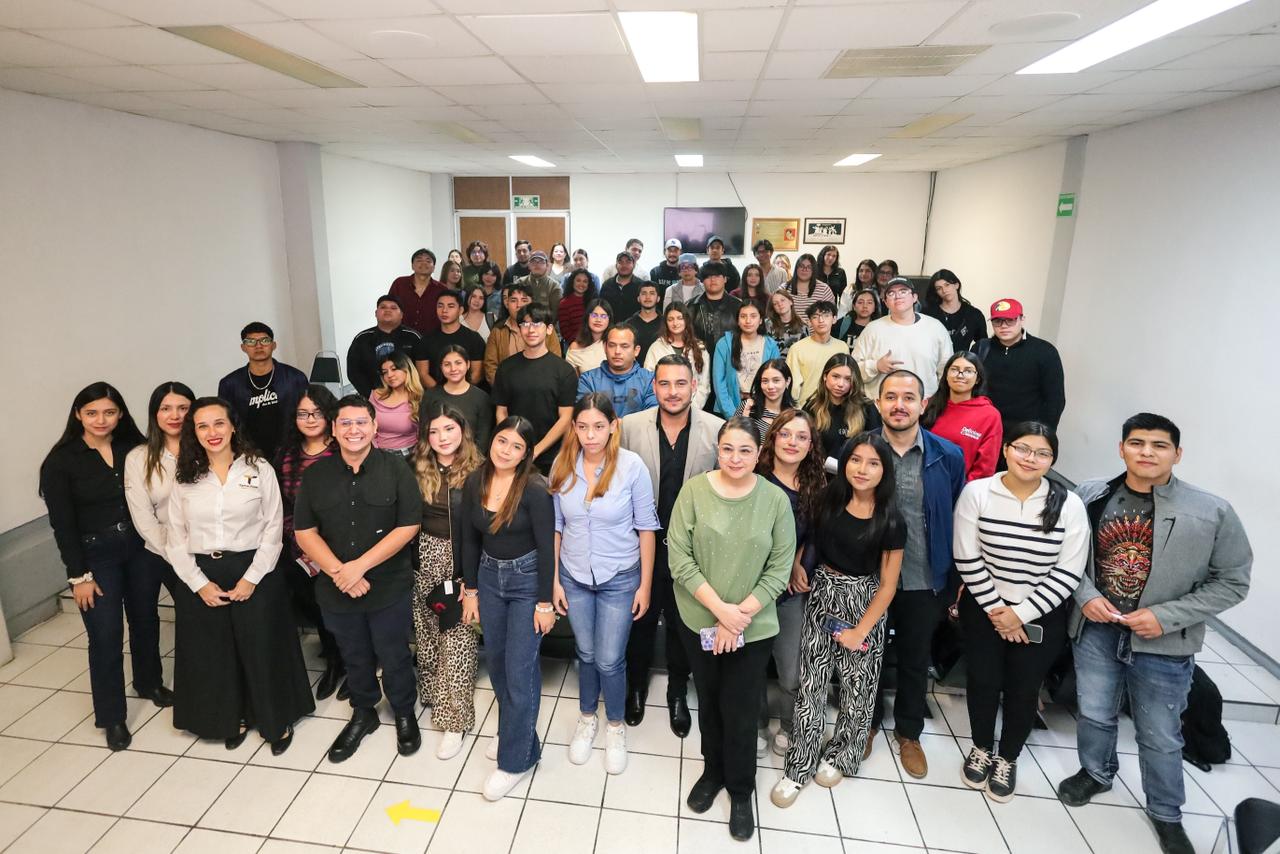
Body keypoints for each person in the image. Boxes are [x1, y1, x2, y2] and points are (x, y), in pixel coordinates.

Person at [1057, 414, 1252, 854]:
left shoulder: (1212, 511)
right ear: (1121, 448)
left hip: (1163, 640)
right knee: (1095, 710)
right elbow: (1067, 555)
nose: (1147, 452)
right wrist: (1085, 596)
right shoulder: (1092, 494)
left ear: (1177, 454)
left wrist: (1166, 616)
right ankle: (1095, 772)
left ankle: (1166, 813)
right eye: (1137, 443)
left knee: (1161, 730)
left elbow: (1233, 581)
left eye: (1159, 445)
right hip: (1097, 628)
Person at [668, 416, 796, 842]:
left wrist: (738, 615)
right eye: (728, 449)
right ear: (717, 450)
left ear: (759, 455)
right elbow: (679, 558)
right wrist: (721, 611)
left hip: (752, 627)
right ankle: (713, 772)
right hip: (700, 619)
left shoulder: (775, 501)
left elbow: (780, 570)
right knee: (708, 702)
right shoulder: (694, 491)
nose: (735, 458)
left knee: (741, 712)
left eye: (745, 450)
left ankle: (741, 790)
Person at [167, 396, 313, 754]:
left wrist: (252, 578)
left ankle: (275, 721)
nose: (212, 432)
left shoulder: (258, 468)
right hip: (203, 571)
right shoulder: (186, 476)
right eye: (202, 426)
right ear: (194, 432)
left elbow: (273, 527)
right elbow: (175, 538)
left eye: (219, 423)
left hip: (255, 568)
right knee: (216, 651)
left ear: (233, 426)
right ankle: (232, 718)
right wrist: (199, 584)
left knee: (261, 646)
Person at [953, 422, 1089, 803]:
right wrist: (999, 611)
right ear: (1006, 450)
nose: (1031, 459)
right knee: (982, 680)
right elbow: (967, 555)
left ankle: (1007, 757)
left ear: (1052, 460)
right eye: (1023, 449)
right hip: (983, 607)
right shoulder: (978, 492)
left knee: (1024, 687)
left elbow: (1069, 571)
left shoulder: (1069, 505)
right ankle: (981, 748)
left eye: (1042, 453)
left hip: (1041, 615)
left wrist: (1022, 613)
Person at [770, 432, 904, 807]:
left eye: (873, 463)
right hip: (822, 592)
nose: (862, 469)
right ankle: (799, 766)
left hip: (865, 601)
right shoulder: (831, 497)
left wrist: (861, 629)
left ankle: (842, 754)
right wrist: (797, 563)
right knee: (811, 683)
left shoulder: (891, 520)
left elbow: (889, 586)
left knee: (857, 688)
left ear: (885, 470)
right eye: (856, 460)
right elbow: (807, 536)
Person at [293, 395, 424, 763]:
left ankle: (402, 710)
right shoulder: (316, 476)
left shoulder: (396, 469)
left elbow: (408, 525)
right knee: (354, 655)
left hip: (388, 584)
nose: (354, 430)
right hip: (336, 587)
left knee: (394, 653)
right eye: (345, 423)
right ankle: (363, 712)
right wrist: (340, 572)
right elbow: (305, 533)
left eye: (361, 422)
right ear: (333, 430)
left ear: (375, 426)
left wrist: (359, 567)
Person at [40, 382, 170, 751]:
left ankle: (149, 682)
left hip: (140, 547)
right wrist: (78, 576)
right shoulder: (61, 461)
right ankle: (112, 716)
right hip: (96, 557)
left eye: (109, 412)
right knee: (105, 634)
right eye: (92, 412)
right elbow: (62, 526)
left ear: (121, 415)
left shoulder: (134, 448)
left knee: (145, 618)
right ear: (78, 414)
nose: (101, 420)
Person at [551, 393, 660, 774]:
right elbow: (557, 528)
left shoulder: (632, 467)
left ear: (614, 425)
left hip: (620, 577)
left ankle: (614, 725)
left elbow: (646, 528)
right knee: (585, 654)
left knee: (610, 659)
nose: (590, 435)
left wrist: (645, 585)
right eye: (582, 426)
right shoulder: (563, 466)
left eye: (599, 426)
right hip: (574, 576)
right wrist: (555, 582)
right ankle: (586, 718)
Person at [866, 370, 965, 778]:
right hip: (869, 576)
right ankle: (865, 723)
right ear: (878, 403)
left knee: (913, 657)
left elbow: (959, 515)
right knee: (867, 654)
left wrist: (957, 579)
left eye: (909, 397)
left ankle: (909, 732)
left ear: (924, 405)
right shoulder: (862, 449)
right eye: (891, 396)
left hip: (925, 577)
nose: (899, 404)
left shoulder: (948, 455)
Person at [621, 355, 724, 735]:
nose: (673, 392)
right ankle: (636, 686)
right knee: (640, 619)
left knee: (685, 625)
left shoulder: (716, 429)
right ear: (654, 387)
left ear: (694, 386)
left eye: (680, 384)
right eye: (664, 384)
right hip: (640, 543)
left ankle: (678, 691)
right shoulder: (630, 427)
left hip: (691, 549)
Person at [458, 417, 557, 800]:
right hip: (487, 578)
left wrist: (545, 602)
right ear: (491, 441)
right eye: (502, 441)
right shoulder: (475, 481)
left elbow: (547, 549)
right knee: (498, 664)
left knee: (518, 671)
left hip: (527, 580)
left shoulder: (533, 488)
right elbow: (469, 540)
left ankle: (515, 760)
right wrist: (470, 591)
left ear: (526, 453)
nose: (507, 451)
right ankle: (518, 737)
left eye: (517, 447)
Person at [412, 403, 485, 759]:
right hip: (423, 556)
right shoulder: (414, 467)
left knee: (457, 639)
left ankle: (455, 719)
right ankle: (431, 694)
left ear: (463, 431)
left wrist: (470, 579)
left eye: (449, 430)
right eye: (435, 432)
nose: (442, 438)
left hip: (462, 560)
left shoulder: (479, 470)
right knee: (426, 633)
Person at [755, 410, 825, 757]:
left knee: (791, 670)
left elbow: (814, 535)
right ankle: (754, 726)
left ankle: (786, 725)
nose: (792, 442)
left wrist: (801, 565)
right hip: (752, 590)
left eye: (801, 437)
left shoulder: (816, 485)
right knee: (750, 666)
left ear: (811, 445)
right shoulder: (755, 477)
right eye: (786, 434)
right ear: (774, 437)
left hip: (790, 594)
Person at [273, 385, 345, 701]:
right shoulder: (286, 455)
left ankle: (354, 660)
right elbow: (281, 504)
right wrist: (301, 540)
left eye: (316, 412)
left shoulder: (344, 449)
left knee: (343, 607)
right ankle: (334, 658)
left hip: (340, 547)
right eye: (303, 413)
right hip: (298, 546)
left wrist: (324, 547)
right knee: (316, 607)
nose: (310, 419)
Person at [123, 381, 190, 607]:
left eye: (183, 408)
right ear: (155, 414)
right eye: (166, 408)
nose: (175, 415)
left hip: (211, 547)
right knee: (191, 612)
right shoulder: (138, 458)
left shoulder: (210, 447)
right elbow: (143, 517)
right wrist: (175, 554)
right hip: (166, 551)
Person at [493, 303, 578, 473]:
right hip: (514, 454)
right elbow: (501, 411)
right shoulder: (506, 367)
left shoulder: (564, 370)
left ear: (549, 329)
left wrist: (536, 450)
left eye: (537, 323)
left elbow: (566, 418)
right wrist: (512, 444)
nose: (530, 329)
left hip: (551, 456)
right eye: (525, 324)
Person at [217, 322, 309, 462]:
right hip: (247, 455)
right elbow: (225, 422)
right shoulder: (230, 384)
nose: (258, 346)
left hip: (290, 453)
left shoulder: (295, 378)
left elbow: (307, 414)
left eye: (265, 340)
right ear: (243, 347)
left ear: (274, 345)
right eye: (251, 341)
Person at [851, 278, 952, 398]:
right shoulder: (872, 329)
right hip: (879, 406)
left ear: (914, 297)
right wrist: (876, 366)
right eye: (891, 293)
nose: (897, 296)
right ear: (885, 302)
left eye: (903, 291)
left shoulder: (935, 328)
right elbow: (852, 370)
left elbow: (947, 370)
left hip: (924, 406)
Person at [978, 298, 1066, 434]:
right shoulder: (980, 348)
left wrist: (1042, 434)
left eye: (1010, 320)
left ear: (1022, 319)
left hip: (1024, 433)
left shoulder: (1044, 351)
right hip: (984, 428)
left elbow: (1055, 400)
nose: (1003, 325)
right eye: (997, 321)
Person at [922, 352, 1002, 481]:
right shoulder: (928, 405)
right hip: (920, 483)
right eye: (954, 370)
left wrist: (964, 491)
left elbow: (985, 467)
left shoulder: (990, 415)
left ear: (977, 379)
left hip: (961, 491)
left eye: (968, 371)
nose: (960, 375)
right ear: (946, 375)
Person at [803, 353, 881, 466]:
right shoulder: (812, 406)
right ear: (825, 376)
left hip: (854, 474)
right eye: (835, 376)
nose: (841, 384)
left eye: (848, 379)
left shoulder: (866, 407)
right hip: (817, 474)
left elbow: (876, 446)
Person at [483, 283, 563, 385]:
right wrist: (503, 390)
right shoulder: (498, 331)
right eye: (513, 300)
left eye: (524, 300)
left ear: (532, 303)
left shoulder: (545, 329)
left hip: (542, 390)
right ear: (507, 303)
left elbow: (555, 362)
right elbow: (490, 366)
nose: (519, 305)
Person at [713, 300, 780, 420]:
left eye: (753, 316)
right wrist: (732, 415)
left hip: (762, 409)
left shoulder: (770, 345)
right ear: (738, 321)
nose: (748, 321)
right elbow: (719, 382)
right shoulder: (724, 344)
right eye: (743, 316)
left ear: (760, 320)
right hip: (730, 406)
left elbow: (775, 379)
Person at [346, 295, 423, 399]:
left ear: (401, 315)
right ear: (376, 313)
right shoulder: (362, 338)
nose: (387, 310)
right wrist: (371, 395)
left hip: (409, 398)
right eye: (383, 307)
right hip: (372, 398)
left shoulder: (413, 337)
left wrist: (410, 394)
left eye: (393, 308)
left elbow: (422, 370)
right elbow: (353, 372)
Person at [422, 344, 495, 452]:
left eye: (458, 363)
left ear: (468, 364)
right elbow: (424, 434)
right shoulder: (430, 396)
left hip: (472, 462)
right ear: (441, 367)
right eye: (447, 364)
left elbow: (483, 440)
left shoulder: (482, 398)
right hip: (435, 461)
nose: (453, 369)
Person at [578, 323, 657, 417]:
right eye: (612, 345)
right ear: (604, 347)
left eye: (624, 346)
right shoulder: (588, 380)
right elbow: (584, 418)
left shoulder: (649, 380)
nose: (617, 351)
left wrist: (619, 425)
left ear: (636, 350)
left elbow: (652, 417)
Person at [644, 302, 711, 412]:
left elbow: (704, 385)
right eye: (670, 319)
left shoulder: (700, 348)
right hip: (662, 408)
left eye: (679, 318)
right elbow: (649, 382)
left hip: (693, 409)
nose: (675, 323)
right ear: (666, 322)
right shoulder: (656, 347)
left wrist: (690, 410)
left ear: (686, 320)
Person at [412, 289, 485, 388]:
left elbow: (477, 374)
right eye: (440, 306)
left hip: (467, 395)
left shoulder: (474, 339)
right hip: (436, 397)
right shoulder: (426, 340)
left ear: (460, 310)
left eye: (451, 306)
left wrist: (460, 391)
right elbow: (423, 374)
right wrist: (442, 394)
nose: (444, 310)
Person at [786, 301, 849, 405]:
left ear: (834, 319)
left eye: (826, 315)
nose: (821, 320)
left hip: (835, 406)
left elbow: (847, 378)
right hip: (806, 407)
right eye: (815, 317)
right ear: (809, 322)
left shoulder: (842, 347)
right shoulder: (797, 348)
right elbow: (793, 384)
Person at [687, 260, 742, 359]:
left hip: (730, 360)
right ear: (702, 281)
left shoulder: (738, 306)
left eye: (717, 276)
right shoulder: (691, 306)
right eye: (708, 277)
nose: (712, 280)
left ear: (725, 279)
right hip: (698, 360)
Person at [371, 351, 422, 458]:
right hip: (378, 453)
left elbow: (423, 435)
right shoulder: (375, 395)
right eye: (385, 372)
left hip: (411, 454)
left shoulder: (418, 398)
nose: (389, 375)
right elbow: (368, 426)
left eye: (394, 369)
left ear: (407, 369)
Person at [924, 269, 987, 354]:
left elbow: (983, 345)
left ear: (956, 285)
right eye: (939, 288)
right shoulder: (928, 313)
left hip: (960, 364)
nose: (944, 290)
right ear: (936, 292)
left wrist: (971, 360)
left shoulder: (973, 314)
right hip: (933, 363)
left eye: (947, 285)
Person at [390, 248, 447, 334]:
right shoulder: (399, 284)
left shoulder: (442, 289)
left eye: (428, 261)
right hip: (402, 337)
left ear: (434, 268)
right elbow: (390, 308)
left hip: (432, 339)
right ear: (412, 266)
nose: (424, 263)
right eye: (419, 260)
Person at [737, 359, 796, 442]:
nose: (770, 386)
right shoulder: (748, 407)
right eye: (765, 381)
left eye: (776, 380)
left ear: (787, 381)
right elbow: (731, 438)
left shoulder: (793, 416)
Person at [565, 298, 613, 375]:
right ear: (587, 317)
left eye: (603, 316)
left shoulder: (616, 342)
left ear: (609, 319)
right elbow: (572, 382)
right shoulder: (575, 347)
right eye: (594, 315)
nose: (598, 320)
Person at [786, 253, 836, 319]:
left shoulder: (824, 289)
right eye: (801, 266)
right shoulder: (784, 288)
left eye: (809, 267)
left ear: (814, 270)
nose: (804, 269)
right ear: (796, 268)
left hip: (816, 329)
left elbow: (830, 314)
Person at [517, 250, 562, 320]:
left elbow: (555, 314)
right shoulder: (520, 283)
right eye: (534, 261)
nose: (537, 264)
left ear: (547, 265)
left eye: (541, 262)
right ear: (529, 265)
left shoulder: (554, 286)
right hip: (523, 325)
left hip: (547, 326)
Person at [600, 250, 643, 321]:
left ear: (633, 265)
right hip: (611, 328)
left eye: (628, 262)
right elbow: (601, 308)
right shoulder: (607, 285)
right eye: (621, 262)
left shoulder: (641, 286)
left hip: (634, 329)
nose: (624, 265)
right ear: (616, 265)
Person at [766, 288, 808, 358]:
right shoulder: (768, 325)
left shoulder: (803, 326)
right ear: (773, 308)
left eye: (782, 300)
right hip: (774, 365)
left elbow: (806, 352)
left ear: (791, 302)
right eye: (775, 303)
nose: (780, 304)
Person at [558, 268, 596, 345]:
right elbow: (565, 331)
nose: (581, 284)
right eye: (578, 280)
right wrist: (579, 344)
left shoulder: (594, 302)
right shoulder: (564, 303)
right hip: (574, 344)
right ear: (572, 282)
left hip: (593, 343)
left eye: (585, 281)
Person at [627, 281, 663, 362]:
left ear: (658, 298)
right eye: (644, 293)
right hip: (634, 372)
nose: (647, 297)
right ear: (638, 298)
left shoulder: (666, 324)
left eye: (652, 293)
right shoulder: (628, 325)